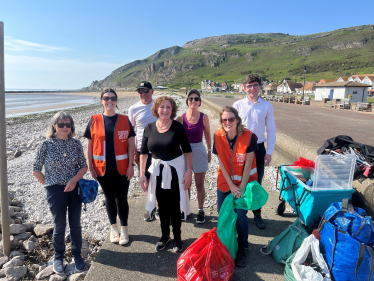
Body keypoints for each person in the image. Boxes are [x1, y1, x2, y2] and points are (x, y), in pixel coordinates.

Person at [33, 111, 87, 274]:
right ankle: (58, 256)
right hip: (55, 190)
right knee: (59, 224)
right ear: (54, 126)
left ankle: (77, 255)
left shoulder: (76, 143)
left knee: (75, 223)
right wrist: (50, 185)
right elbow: (36, 170)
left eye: (68, 124)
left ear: (71, 127)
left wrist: (73, 181)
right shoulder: (46, 144)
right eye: (61, 124)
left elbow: (84, 166)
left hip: (74, 187)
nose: (65, 127)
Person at [140, 96, 192, 253]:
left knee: (175, 205)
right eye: (162, 107)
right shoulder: (149, 128)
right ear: (156, 109)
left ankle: (177, 237)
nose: (165, 110)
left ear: (173, 110)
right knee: (161, 206)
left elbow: (188, 151)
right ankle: (165, 236)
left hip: (175, 170)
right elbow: (143, 153)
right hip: (157, 171)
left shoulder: (177, 127)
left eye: (168, 107)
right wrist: (143, 173)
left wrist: (188, 172)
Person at [85, 88, 135, 245]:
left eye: (113, 98)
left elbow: (131, 144)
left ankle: (124, 229)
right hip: (102, 169)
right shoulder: (94, 120)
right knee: (109, 198)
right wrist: (90, 166)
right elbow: (89, 146)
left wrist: (131, 165)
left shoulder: (125, 120)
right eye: (106, 98)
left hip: (122, 169)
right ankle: (114, 229)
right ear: (102, 101)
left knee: (121, 198)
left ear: (116, 101)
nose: (110, 101)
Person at [213, 106, 258, 267]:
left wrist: (242, 189)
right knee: (223, 214)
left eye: (231, 119)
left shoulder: (249, 137)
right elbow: (221, 164)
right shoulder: (218, 136)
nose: (227, 122)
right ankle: (227, 244)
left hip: (243, 183)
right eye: (224, 120)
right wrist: (231, 185)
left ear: (237, 120)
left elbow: (247, 165)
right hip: (225, 182)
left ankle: (243, 246)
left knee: (240, 215)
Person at [233, 74, 276, 229]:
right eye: (249, 86)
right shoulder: (237, 105)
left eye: (255, 85)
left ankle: (257, 214)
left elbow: (271, 130)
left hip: (258, 148)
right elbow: (231, 128)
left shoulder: (266, 106)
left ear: (260, 87)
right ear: (244, 88)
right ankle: (239, 212)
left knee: (257, 182)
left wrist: (269, 152)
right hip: (241, 149)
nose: (252, 88)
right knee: (238, 180)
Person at [176, 89, 211, 223]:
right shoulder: (180, 118)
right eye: (191, 99)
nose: (193, 101)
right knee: (186, 183)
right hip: (184, 152)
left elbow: (207, 134)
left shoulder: (204, 117)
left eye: (196, 99)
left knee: (199, 184)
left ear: (200, 102)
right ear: (187, 101)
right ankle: (186, 210)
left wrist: (209, 151)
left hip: (199, 150)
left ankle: (201, 210)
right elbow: (177, 137)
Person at [128, 81, 158, 221]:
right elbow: (131, 132)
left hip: (159, 150)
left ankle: (158, 208)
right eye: (140, 91)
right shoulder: (133, 109)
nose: (143, 94)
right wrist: (134, 151)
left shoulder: (158, 106)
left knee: (159, 180)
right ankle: (152, 208)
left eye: (146, 90)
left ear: (152, 91)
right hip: (142, 152)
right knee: (146, 180)